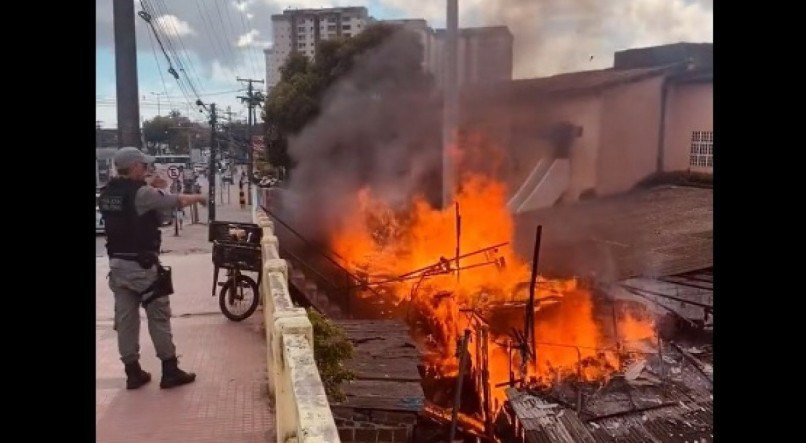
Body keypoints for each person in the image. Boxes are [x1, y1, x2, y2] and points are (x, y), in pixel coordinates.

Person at [99, 147, 208, 390]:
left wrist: (152, 185)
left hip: (117, 266)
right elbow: (173, 202)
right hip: (142, 266)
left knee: (126, 320)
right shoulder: (142, 193)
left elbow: (137, 209)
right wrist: (199, 198)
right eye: (144, 166)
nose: (147, 170)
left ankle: (133, 373)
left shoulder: (107, 193)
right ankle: (170, 370)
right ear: (135, 167)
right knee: (158, 315)